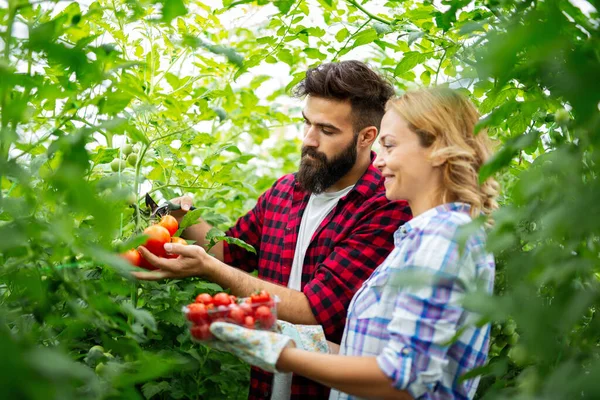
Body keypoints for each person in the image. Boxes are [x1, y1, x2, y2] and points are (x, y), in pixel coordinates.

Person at [135, 60, 412, 399]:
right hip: (268, 386)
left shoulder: (385, 206)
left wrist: (209, 268)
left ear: (367, 136)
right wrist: (175, 213)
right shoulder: (286, 192)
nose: (308, 140)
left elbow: (314, 310)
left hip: (328, 390)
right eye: (307, 123)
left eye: (326, 131)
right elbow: (228, 254)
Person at [204, 87, 500, 400]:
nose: (378, 161)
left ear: (437, 149)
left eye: (389, 145)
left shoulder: (441, 238)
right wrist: (275, 332)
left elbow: (401, 379)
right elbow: (367, 352)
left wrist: (281, 355)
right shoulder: (429, 235)